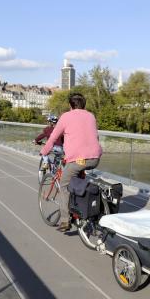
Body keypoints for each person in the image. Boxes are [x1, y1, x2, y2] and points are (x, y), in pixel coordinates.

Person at [40, 93, 102, 232]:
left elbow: (53, 136)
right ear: (84, 105)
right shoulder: (91, 116)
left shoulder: (66, 117)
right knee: (78, 175)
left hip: (78, 159)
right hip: (95, 157)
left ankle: (64, 221)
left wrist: (44, 151)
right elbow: (94, 136)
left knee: (64, 185)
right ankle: (79, 207)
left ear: (70, 105)